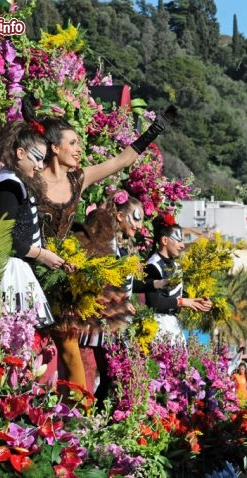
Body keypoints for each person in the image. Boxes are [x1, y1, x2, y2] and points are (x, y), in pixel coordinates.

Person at [29, 104, 173, 388]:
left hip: (62, 275)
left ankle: (75, 420)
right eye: (72, 143)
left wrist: (153, 131)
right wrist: (30, 120)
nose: (78, 148)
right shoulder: (31, 179)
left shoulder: (77, 179)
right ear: (54, 148)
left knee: (70, 352)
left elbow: (121, 160)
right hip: (30, 266)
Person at [0, 121, 66, 328]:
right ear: (20, 153)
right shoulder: (8, 184)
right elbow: (4, 238)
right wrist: (42, 255)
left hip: (14, 267)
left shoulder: (15, 182)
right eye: (36, 158)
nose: (39, 165)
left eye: (42, 160)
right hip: (5, 270)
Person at [73, 193, 147, 398]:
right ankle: (97, 421)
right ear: (121, 216)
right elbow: (98, 274)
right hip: (103, 315)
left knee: (115, 376)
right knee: (111, 375)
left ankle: (102, 420)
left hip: (113, 316)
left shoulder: (118, 245)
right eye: (136, 217)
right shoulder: (104, 233)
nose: (139, 225)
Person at [144, 214, 212, 342]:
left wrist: (196, 301)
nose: (182, 245)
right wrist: (182, 302)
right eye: (179, 240)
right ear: (164, 241)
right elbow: (154, 302)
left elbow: (176, 295)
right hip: (157, 327)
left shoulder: (175, 266)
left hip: (173, 326)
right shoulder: (152, 265)